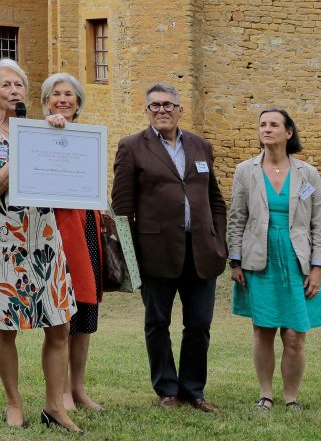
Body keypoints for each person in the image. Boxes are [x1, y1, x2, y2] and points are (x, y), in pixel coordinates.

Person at [0, 60, 81, 432]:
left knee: (60, 325)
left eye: (20, 84)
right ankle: (13, 401)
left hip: (45, 239)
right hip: (5, 242)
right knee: (6, 327)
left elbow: (72, 168)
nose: (15, 90)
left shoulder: (41, 128)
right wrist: (16, 160)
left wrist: (57, 137)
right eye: (6, 85)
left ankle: (54, 407)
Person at [111, 82, 227, 412]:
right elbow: (121, 207)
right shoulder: (132, 146)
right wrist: (133, 256)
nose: (162, 110)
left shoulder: (200, 146)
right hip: (156, 253)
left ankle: (193, 389)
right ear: (147, 111)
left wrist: (218, 239)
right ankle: (167, 390)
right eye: (155, 106)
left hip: (202, 251)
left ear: (179, 109)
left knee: (200, 324)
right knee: (158, 323)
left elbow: (216, 199)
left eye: (167, 105)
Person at [228, 108, 321, 412]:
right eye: (262, 124)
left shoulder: (308, 174)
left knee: (295, 335)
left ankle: (291, 397)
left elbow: (319, 224)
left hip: (298, 260)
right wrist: (235, 261)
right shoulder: (245, 171)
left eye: (274, 124)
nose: (267, 129)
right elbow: (237, 219)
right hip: (258, 260)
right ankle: (265, 394)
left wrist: (317, 269)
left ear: (289, 132)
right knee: (262, 329)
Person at [42, 73, 105, 411]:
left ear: (79, 103)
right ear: (46, 101)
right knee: (62, 315)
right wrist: (51, 126)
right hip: (56, 231)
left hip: (87, 227)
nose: (63, 100)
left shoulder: (87, 137)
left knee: (86, 314)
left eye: (69, 95)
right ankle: (62, 391)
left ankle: (78, 389)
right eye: (56, 95)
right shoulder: (40, 134)